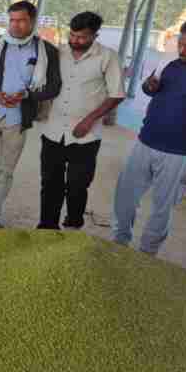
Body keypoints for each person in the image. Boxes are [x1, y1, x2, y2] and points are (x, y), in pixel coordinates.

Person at [111, 19, 186, 255]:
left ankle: (147, 254)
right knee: (124, 196)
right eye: (181, 43)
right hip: (145, 141)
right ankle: (118, 242)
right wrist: (149, 86)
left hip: (181, 152)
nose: (183, 50)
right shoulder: (169, 62)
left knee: (162, 208)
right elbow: (150, 88)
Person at [0, 0, 61, 228]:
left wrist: (26, 95)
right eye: (12, 20)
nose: (15, 25)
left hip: (18, 119)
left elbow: (53, 87)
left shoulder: (46, 51)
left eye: (21, 21)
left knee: (5, 172)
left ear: (32, 22)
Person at [39, 12, 124, 230]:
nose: (75, 41)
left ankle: (73, 223)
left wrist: (89, 120)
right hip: (54, 130)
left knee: (77, 185)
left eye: (82, 37)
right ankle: (47, 226)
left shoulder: (108, 57)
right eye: (73, 35)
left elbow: (116, 94)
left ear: (95, 35)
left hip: (86, 135)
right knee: (50, 183)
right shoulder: (60, 52)